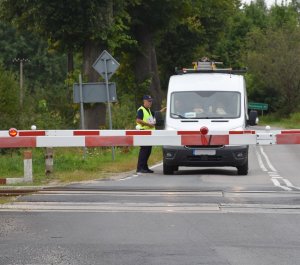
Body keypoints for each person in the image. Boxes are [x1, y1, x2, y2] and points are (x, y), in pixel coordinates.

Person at [136, 95, 165, 174]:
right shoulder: (141, 110)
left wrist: (163, 110)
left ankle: (145, 167)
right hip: (143, 132)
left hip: (149, 133)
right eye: (149, 101)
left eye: (151, 101)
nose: (150, 103)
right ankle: (140, 168)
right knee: (144, 150)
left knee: (148, 150)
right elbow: (138, 120)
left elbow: (156, 113)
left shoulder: (148, 110)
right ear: (144, 101)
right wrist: (148, 125)